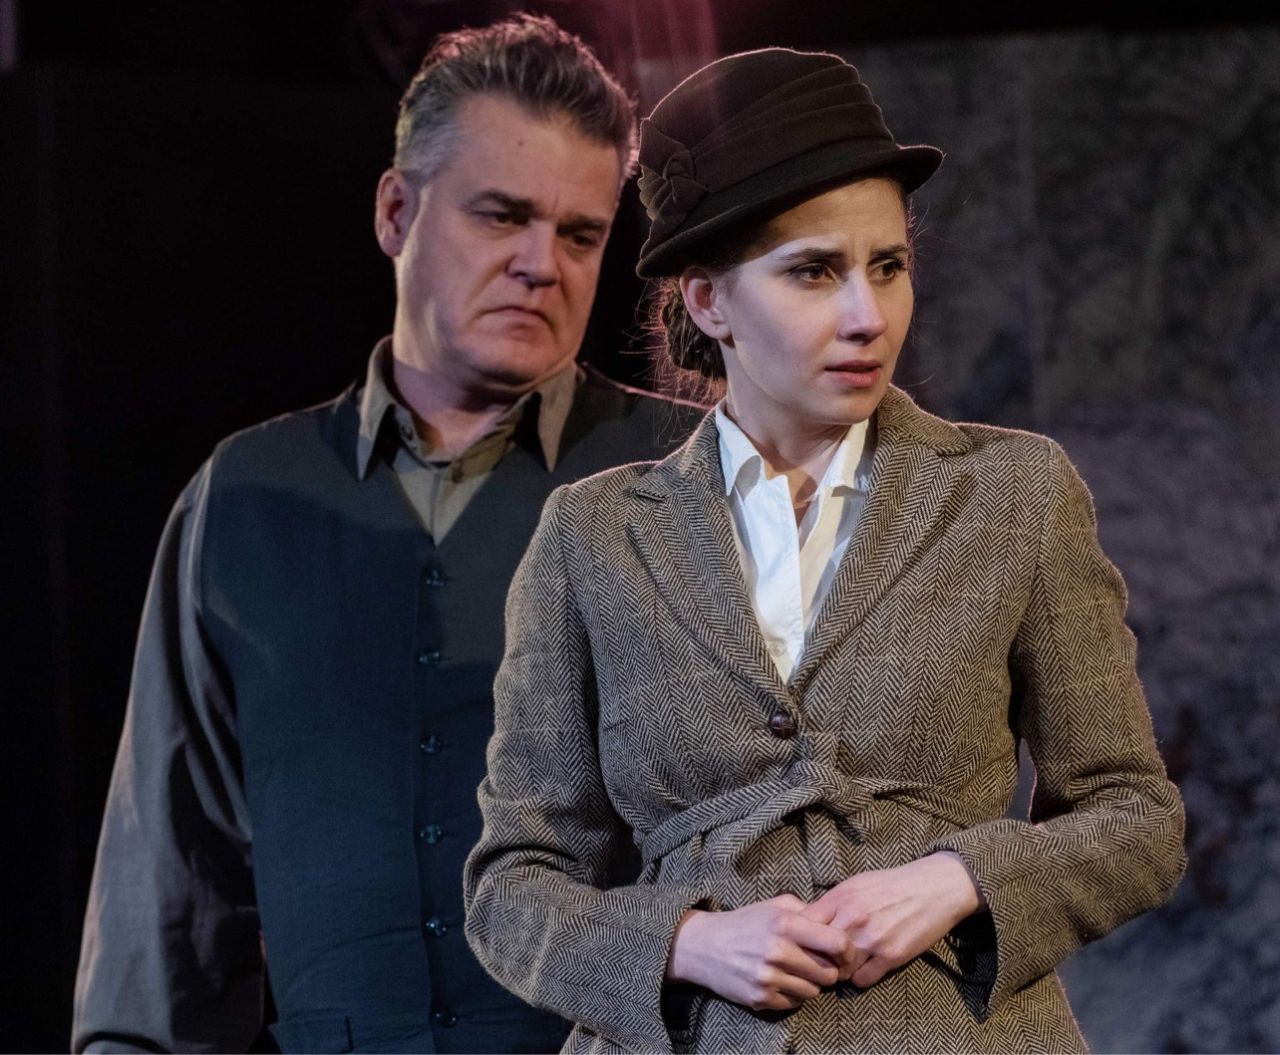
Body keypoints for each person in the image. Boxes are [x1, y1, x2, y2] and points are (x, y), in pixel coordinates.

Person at [463, 47, 1186, 1053]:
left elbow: (1135, 815)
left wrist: (960, 878)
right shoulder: (593, 535)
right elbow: (512, 886)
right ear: (708, 301)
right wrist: (686, 941)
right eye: (813, 271)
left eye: (887, 267)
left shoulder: (1013, 493)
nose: (865, 316)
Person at [72, 15, 699, 1054]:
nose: (540, 264)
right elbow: (170, 900)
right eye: (502, 216)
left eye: (580, 234)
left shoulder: (690, 475)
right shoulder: (243, 499)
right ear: (396, 210)